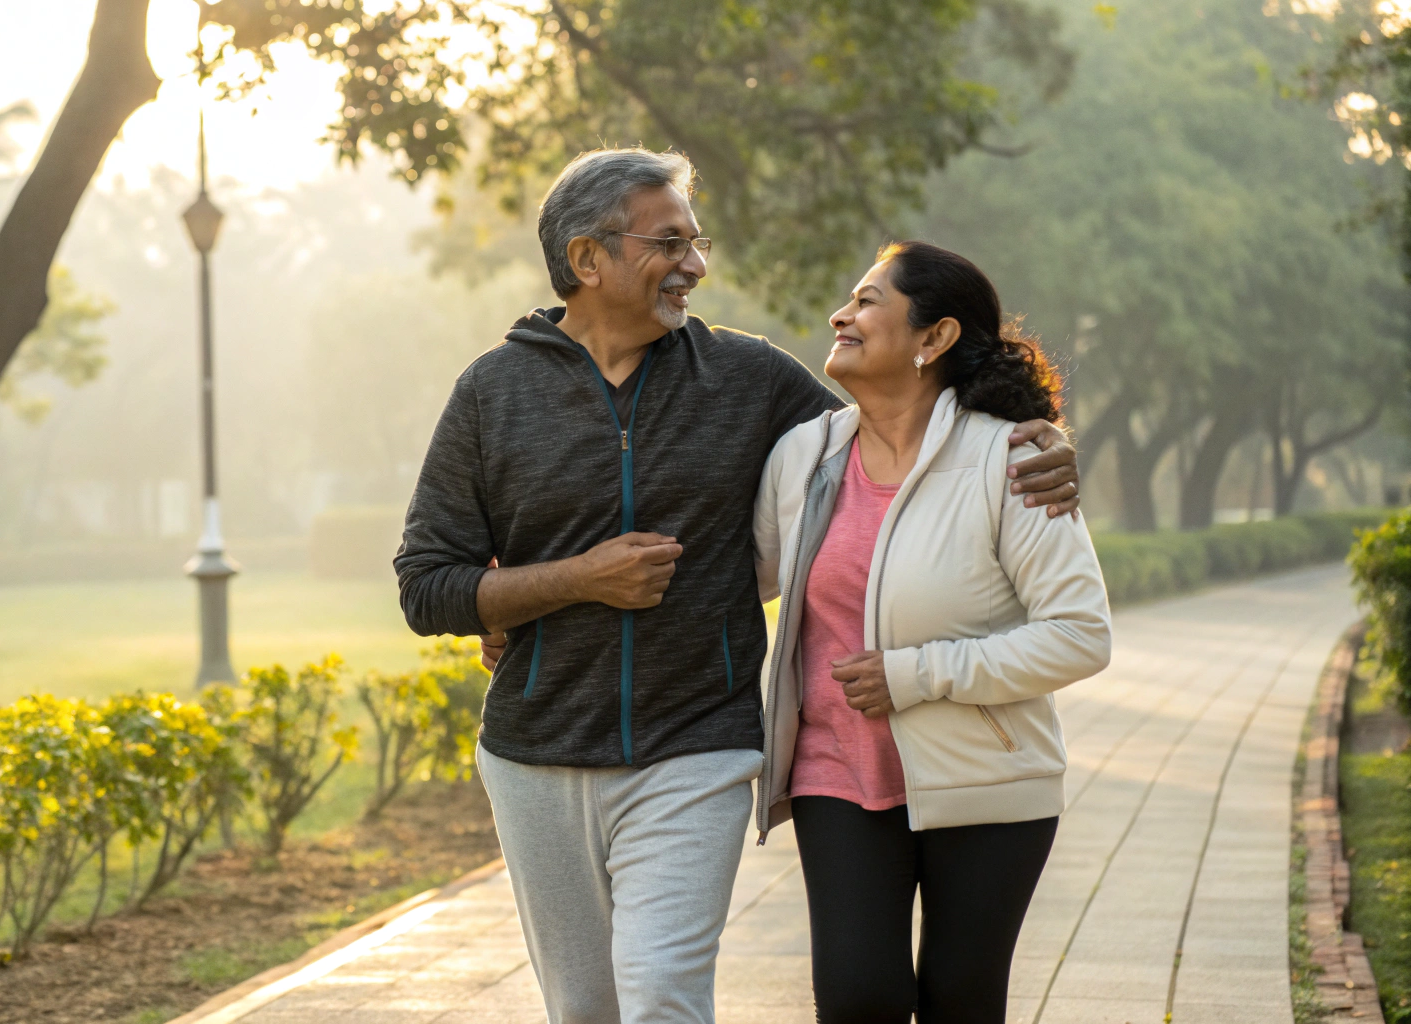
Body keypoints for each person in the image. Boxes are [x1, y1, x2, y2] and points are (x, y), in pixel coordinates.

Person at [394, 149, 1080, 1024]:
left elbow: (900, 439)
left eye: (697, 241)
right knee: (586, 1009)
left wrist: (1039, 437)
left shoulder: (748, 377)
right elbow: (426, 586)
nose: (695, 265)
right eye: (669, 243)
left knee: (662, 997)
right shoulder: (492, 392)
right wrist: (567, 583)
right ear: (587, 258)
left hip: (699, 743)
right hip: (535, 752)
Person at [753, 240, 1112, 1024]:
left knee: (961, 1001)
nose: (840, 315)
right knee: (858, 998)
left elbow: (1081, 632)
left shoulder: (1010, 459)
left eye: (868, 300)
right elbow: (737, 580)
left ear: (935, 336)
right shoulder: (803, 457)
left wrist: (915, 674)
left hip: (988, 778)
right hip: (835, 774)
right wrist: (536, 596)